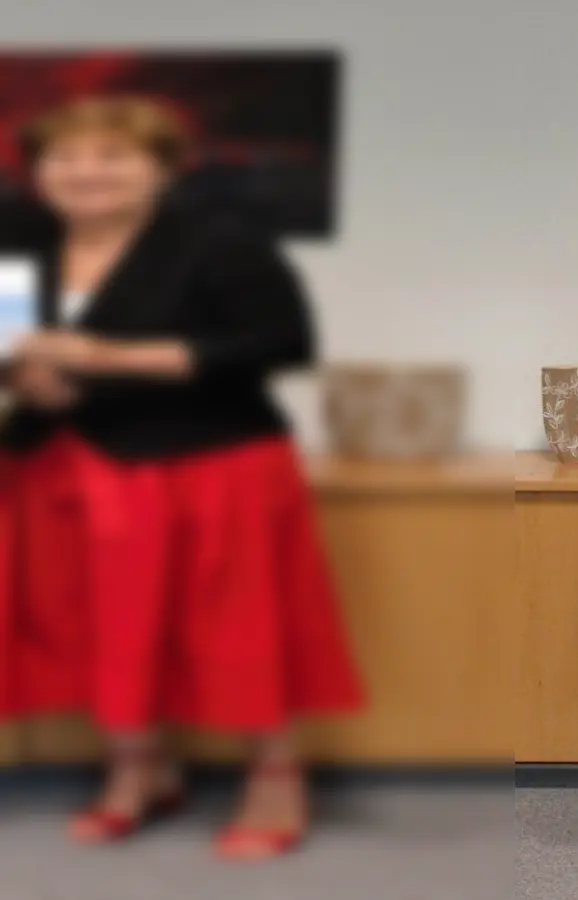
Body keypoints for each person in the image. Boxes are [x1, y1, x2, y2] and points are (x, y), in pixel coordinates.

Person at [0, 95, 364, 859]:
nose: (85, 173)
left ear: (161, 170)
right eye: (66, 157)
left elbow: (278, 341)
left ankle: (275, 777)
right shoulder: (21, 239)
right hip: (65, 465)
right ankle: (138, 772)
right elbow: (12, 341)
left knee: (236, 629)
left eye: (111, 157)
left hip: (209, 463)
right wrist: (31, 379)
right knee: (106, 630)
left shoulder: (220, 243)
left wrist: (104, 359)